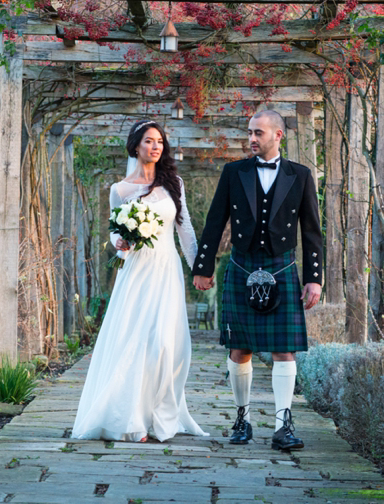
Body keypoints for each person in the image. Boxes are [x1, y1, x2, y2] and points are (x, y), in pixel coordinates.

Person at [193, 110, 322, 451]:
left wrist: (314, 279)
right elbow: (214, 219)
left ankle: (283, 425)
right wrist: (203, 266)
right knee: (240, 348)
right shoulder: (234, 172)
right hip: (242, 265)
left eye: (259, 133)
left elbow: (311, 231)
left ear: (278, 135)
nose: (252, 138)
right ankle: (242, 418)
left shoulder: (301, 175)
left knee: (285, 349)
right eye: (250, 132)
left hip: (281, 267)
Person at [72, 120, 207, 443]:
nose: (155, 147)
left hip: (167, 269)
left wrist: (199, 269)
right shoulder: (119, 190)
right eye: (149, 141)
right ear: (136, 146)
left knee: (166, 343)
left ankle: (159, 413)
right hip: (137, 272)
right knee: (135, 340)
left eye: (159, 141)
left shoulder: (174, 183)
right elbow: (117, 234)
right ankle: (131, 418)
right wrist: (120, 244)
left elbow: (185, 229)